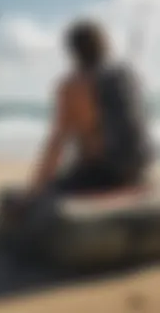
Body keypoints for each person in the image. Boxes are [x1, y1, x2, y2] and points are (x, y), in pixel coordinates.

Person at [26, 19, 152, 199]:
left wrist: (35, 189)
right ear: (104, 45)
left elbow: (58, 141)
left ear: (72, 51)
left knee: (43, 196)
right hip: (138, 170)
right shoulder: (124, 77)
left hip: (104, 175)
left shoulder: (73, 85)